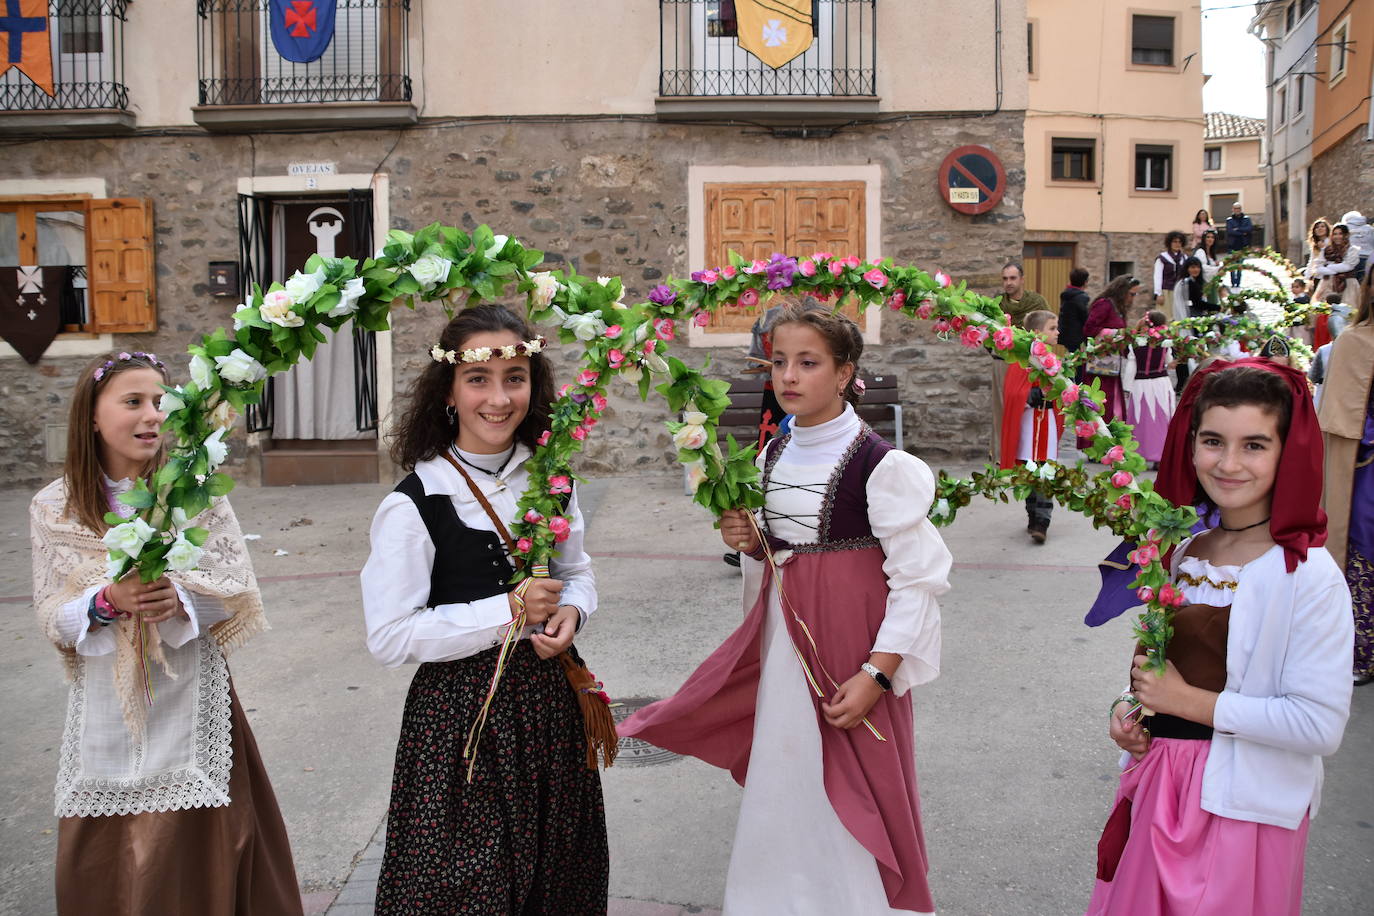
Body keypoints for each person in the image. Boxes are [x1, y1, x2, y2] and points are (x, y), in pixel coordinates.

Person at [621, 300, 953, 915]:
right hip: (786, 646)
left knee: (855, 778)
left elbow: (917, 580)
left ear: (846, 371)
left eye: (808, 362)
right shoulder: (771, 454)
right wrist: (749, 540)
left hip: (851, 649)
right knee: (788, 771)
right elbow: (776, 552)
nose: (789, 377)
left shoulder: (881, 465)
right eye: (779, 362)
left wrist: (877, 673)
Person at [29, 351, 302, 916]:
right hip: (105, 700)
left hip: (193, 692)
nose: (152, 415)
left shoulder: (194, 490)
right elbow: (52, 613)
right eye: (133, 402)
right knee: (100, 847)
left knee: (203, 839)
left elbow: (235, 584)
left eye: (160, 402)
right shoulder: (54, 507)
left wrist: (177, 595)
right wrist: (105, 600)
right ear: (92, 418)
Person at [361, 305, 609, 914]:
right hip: (460, 725)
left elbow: (577, 573)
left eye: (515, 377)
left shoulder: (551, 478)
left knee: (556, 880)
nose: (498, 399)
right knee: (467, 886)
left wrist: (571, 613)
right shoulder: (416, 502)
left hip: (550, 713)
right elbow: (389, 636)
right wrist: (508, 613)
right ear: (448, 391)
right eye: (478, 379)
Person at [1088, 360, 1354, 916]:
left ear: (1288, 452)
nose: (1228, 464)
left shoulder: (1309, 575)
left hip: (1246, 809)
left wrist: (1189, 703)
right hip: (1162, 790)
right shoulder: (1183, 553)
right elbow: (1156, 671)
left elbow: (1318, 725)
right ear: (1190, 446)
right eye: (1212, 441)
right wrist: (1135, 711)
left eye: (1254, 445)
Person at [1317, 293, 1374, 686]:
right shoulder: (1355, 342)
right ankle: (1361, 652)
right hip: (1368, 469)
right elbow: (1343, 416)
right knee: (1363, 551)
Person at [999, 310, 1063, 543]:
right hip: (1028, 425)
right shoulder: (1021, 361)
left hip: (1048, 424)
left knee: (1046, 472)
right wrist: (1027, 395)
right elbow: (1012, 392)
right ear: (1037, 333)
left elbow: (1064, 390)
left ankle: (1042, 521)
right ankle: (1032, 515)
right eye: (1052, 328)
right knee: (1029, 471)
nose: (1057, 332)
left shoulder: (1055, 361)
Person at [990, 262, 1049, 459]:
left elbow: (1046, 329)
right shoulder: (997, 305)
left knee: (1026, 411)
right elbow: (986, 333)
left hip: (1028, 364)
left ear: (1022, 279)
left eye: (1013, 278)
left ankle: (1024, 455)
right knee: (1002, 409)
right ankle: (1001, 456)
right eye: (1005, 278)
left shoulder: (1036, 302)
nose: (1009, 283)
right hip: (1002, 362)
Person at [1078, 275, 1141, 448]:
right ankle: (1095, 443)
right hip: (1099, 366)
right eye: (1132, 294)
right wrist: (1116, 334)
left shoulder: (1118, 308)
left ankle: (1109, 441)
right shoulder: (1104, 305)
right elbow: (1089, 329)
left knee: (1112, 404)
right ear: (1122, 292)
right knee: (1099, 404)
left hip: (1112, 364)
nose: (1133, 298)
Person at [1122, 310, 1176, 464]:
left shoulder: (1136, 343)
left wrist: (1127, 387)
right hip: (1161, 383)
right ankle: (1161, 456)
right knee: (1161, 418)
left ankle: (1139, 453)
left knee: (1142, 419)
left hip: (1141, 384)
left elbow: (1131, 367)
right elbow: (1169, 361)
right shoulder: (1165, 342)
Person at [1310, 223, 1361, 312]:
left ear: (1346, 235)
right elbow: (1318, 266)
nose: (1337, 237)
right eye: (1335, 234)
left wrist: (1329, 266)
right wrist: (1331, 271)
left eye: (1340, 234)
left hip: (1348, 283)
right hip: (1327, 283)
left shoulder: (1352, 250)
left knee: (1348, 310)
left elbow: (1348, 266)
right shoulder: (1327, 250)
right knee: (1325, 310)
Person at [1059, 266, 1091, 356]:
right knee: (1079, 361)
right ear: (1085, 282)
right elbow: (1085, 317)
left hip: (1067, 333)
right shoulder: (1082, 298)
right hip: (1078, 336)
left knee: (1070, 357)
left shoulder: (1066, 294)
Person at [1152, 231, 1189, 312]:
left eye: (1179, 242)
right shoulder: (1162, 258)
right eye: (1174, 242)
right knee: (1166, 314)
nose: (1177, 244)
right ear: (1169, 243)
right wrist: (1159, 294)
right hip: (1166, 291)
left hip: (1180, 291)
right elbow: (1157, 276)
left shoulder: (1184, 258)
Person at [1225, 202, 1255, 286]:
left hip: (1243, 245)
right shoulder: (1229, 220)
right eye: (1235, 208)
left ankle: (1238, 282)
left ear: (1241, 209)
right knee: (1232, 264)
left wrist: (1237, 229)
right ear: (1233, 209)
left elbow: (1249, 229)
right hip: (1232, 245)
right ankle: (1232, 281)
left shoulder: (1246, 219)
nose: (1237, 210)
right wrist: (1242, 232)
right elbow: (1230, 231)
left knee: (1240, 265)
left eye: (1238, 208)